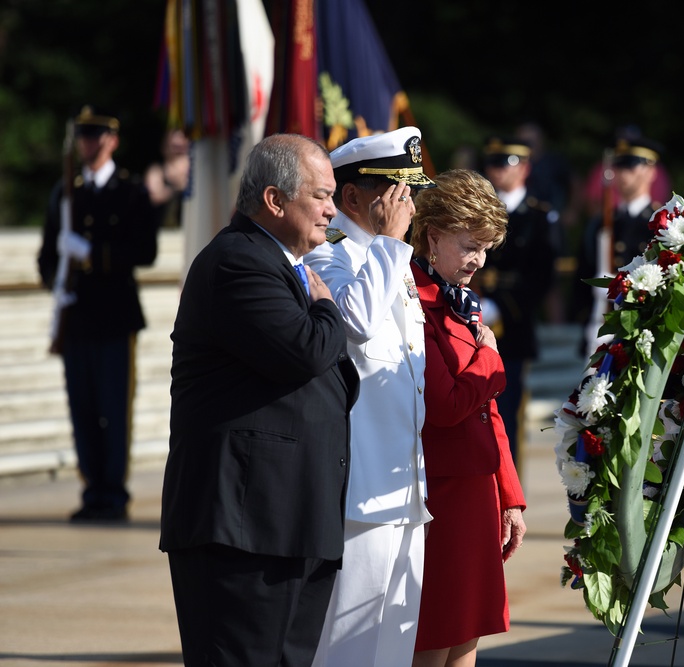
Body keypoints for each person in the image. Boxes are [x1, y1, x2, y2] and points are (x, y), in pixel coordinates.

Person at [159, 133, 360, 667]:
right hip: (244, 529)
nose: (331, 209)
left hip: (290, 520)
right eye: (320, 195)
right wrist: (326, 308)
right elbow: (304, 352)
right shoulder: (237, 261)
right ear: (275, 201)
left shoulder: (282, 265)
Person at [304, 126, 436, 667]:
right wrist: (389, 243)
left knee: (393, 649)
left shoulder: (393, 261)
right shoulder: (328, 257)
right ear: (353, 197)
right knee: (346, 651)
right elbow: (354, 324)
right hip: (357, 490)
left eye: (411, 191)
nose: (408, 204)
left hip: (403, 488)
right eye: (395, 191)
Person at [409, 168, 527, 667]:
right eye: (470, 244)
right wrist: (491, 359)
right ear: (433, 236)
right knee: (436, 637)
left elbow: (488, 413)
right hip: (443, 493)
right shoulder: (414, 298)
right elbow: (445, 405)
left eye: (486, 247)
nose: (478, 259)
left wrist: (510, 496)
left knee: (469, 636)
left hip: (477, 491)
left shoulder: (460, 301)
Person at [37, 105, 158, 522]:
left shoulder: (130, 191)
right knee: (82, 407)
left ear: (112, 141)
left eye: (96, 136)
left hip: (115, 316)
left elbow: (146, 251)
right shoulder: (65, 192)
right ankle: (92, 488)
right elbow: (46, 255)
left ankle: (113, 492)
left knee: (113, 406)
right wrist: (58, 281)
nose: (88, 143)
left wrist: (92, 256)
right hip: (77, 319)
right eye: (84, 136)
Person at [478, 134, 557, 471]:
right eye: (492, 163)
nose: (497, 171)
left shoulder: (539, 216)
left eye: (505, 163)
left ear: (524, 167)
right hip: (473, 315)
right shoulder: (479, 208)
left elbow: (541, 276)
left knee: (506, 414)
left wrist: (500, 307)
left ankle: (508, 492)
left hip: (511, 327)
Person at [572, 133, 666, 356]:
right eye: (619, 167)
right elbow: (584, 275)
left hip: (641, 327)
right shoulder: (601, 223)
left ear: (651, 172)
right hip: (601, 324)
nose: (623, 174)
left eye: (631, 167)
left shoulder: (659, 222)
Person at [144, 128, 191, 228]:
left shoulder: (195, 172)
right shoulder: (156, 171)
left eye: (181, 149)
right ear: (165, 147)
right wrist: (177, 188)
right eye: (175, 147)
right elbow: (153, 197)